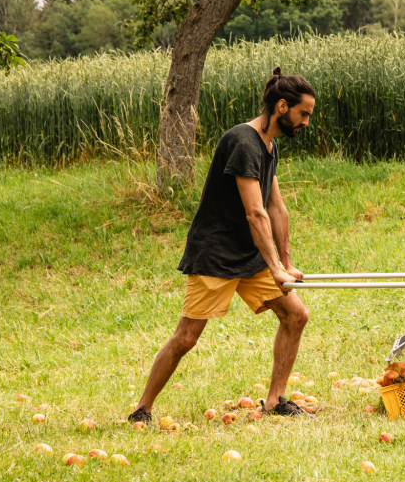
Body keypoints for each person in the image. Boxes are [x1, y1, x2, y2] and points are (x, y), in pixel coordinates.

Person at [128, 68, 315, 423]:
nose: (306, 122)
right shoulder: (243, 142)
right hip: (215, 254)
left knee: (296, 314)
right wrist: (275, 268)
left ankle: (275, 400)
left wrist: (286, 262)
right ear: (281, 106)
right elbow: (255, 213)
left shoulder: (269, 145)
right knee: (186, 337)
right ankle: (142, 409)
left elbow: (276, 206)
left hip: (249, 255)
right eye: (303, 114)